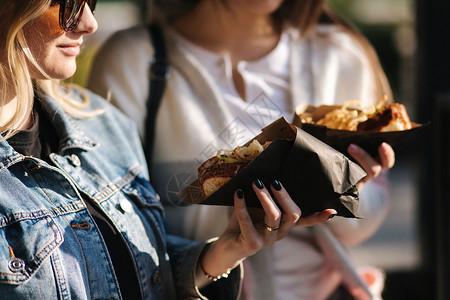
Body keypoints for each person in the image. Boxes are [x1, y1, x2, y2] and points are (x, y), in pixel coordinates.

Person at [0, 1, 337, 299]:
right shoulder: (134, 62)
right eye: (68, 4)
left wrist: (222, 251)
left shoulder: (104, 124)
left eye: (91, 1)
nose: (90, 23)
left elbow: (137, 269)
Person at [88, 0, 396, 299]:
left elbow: (362, 225)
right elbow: (112, 233)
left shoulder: (339, 55)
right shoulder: (134, 60)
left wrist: (348, 187)